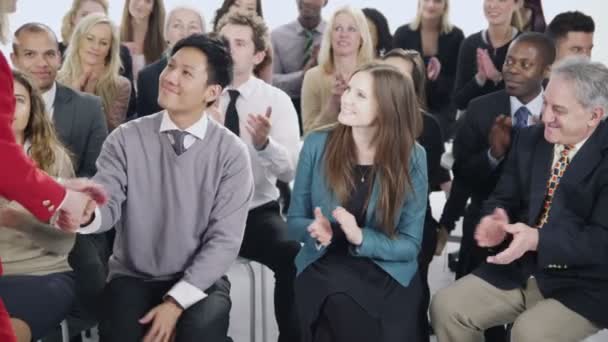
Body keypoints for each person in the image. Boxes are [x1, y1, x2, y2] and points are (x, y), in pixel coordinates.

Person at [78, 33, 253, 342]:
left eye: (186, 73)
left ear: (212, 92)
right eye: (170, 66)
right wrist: (88, 214)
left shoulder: (231, 153)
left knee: (200, 327)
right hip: (133, 276)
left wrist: (175, 303)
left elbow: (224, 241)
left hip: (201, 280)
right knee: (122, 330)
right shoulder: (125, 138)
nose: (170, 77)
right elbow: (107, 202)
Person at [431, 57, 608, 342]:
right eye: (546, 103)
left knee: (529, 333)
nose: (545, 116)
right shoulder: (529, 139)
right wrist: (495, 218)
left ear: (594, 115)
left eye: (558, 110)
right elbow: (503, 197)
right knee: (446, 307)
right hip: (521, 269)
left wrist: (538, 239)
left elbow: (602, 242)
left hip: (585, 283)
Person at [289, 62, 427, 341]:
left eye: (360, 95)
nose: (346, 98)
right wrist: (318, 232)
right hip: (326, 263)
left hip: (387, 269)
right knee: (342, 307)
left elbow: (410, 246)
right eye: (349, 89)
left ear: (387, 107)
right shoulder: (316, 144)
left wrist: (360, 237)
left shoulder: (413, 155)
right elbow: (293, 222)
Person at [445, 32, 556, 341]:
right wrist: (493, 155)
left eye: (525, 63)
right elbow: (462, 175)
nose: (513, 69)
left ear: (546, 70)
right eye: (509, 60)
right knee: (478, 321)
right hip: (485, 227)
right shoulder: (480, 108)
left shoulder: (557, 111)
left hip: (541, 237)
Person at [216, 11, 301, 342]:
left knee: (293, 252)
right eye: (224, 42)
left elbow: (290, 169)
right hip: (200, 215)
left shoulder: (275, 101)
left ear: (258, 54)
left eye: (239, 43)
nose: (230, 49)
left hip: (255, 212)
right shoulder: (196, 94)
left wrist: (264, 145)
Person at [0, 70, 77, 341]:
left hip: (41, 274)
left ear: (32, 107)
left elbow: (65, 244)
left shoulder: (54, 159)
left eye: (18, 99)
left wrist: (24, 223)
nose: (8, 106)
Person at [381, 48, 451, 341]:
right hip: (364, 219)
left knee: (408, 299)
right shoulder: (355, 119)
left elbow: (415, 193)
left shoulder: (427, 126)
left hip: (409, 222)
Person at [11, 22, 107, 178]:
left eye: (49, 54)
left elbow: (97, 175)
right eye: (30, 54)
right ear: (14, 59)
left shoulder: (89, 108)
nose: (42, 63)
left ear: (59, 58)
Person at [393, 0, 464, 139]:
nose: (431, 5)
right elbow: (393, 75)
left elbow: (457, 81)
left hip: (442, 105)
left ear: (445, 6)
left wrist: (435, 79)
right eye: (426, 0)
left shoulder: (456, 36)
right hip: (408, 102)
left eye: (437, 1)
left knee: (432, 132)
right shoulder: (402, 33)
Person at [301, 5, 373, 134]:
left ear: (361, 38)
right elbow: (308, 135)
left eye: (351, 29)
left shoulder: (374, 75)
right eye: (338, 28)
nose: (343, 34)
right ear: (330, 36)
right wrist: (333, 102)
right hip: (327, 152)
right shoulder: (313, 77)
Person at [59, 0, 137, 120]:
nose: (95, 47)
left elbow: (110, 132)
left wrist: (89, 95)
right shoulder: (56, 80)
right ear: (78, 40)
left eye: (103, 43)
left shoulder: (120, 86)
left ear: (110, 49)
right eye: (90, 39)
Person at [137, 5, 205, 117]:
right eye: (177, 26)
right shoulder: (147, 76)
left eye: (193, 27)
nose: (185, 32)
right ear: (166, 33)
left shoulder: (212, 73)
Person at [452, 0, 520, 111]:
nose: (492, 5)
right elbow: (459, 102)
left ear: (517, 4)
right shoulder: (469, 44)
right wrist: (480, 79)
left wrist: (496, 77)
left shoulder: (526, 44)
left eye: (501, 0)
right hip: (474, 124)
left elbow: (528, 98)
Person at [271, 0, 327, 134]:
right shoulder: (277, 36)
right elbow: (271, 81)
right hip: (288, 107)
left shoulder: (335, 35)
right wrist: (303, 75)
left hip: (325, 106)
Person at [212, 0, 272, 84]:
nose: (241, 11)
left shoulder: (264, 46)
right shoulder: (210, 38)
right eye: (237, 5)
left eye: (250, 8)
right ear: (228, 6)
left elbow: (267, 85)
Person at [120, 0, 167, 82]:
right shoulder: (114, 35)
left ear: (154, 7)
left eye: (148, 1)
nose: (141, 3)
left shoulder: (163, 41)